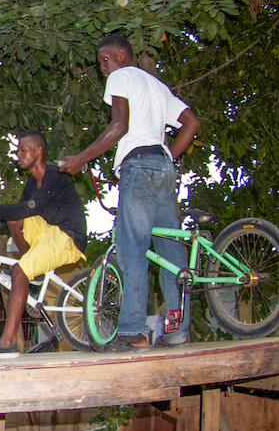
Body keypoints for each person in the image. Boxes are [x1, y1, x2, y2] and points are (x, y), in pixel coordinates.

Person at [56, 33, 201, 350]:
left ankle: (133, 331)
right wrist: (166, 156)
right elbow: (191, 123)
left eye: (104, 60)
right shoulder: (157, 87)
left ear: (122, 54)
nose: (103, 69)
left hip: (139, 169)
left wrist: (81, 158)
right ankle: (177, 330)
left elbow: (119, 126)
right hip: (163, 170)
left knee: (131, 250)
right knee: (170, 255)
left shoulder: (121, 77)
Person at [0, 131, 87, 358]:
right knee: (15, 219)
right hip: (49, 231)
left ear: (39, 151)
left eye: (23, 150)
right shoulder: (33, 182)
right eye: (17, 150)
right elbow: (16, 216)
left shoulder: (55, 176)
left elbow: (31, 207)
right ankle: (34, 272)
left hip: (68, 237)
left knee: (19, 272)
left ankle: (8, 342)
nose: (18, 155)